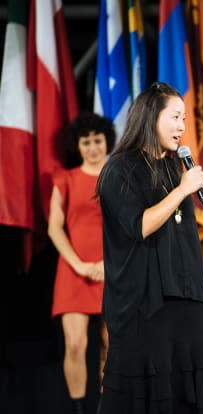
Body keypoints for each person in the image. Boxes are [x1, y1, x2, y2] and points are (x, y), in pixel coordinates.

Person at [95, 82, 203, 413]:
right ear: (151, 116)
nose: (183, 127)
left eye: (184, 118)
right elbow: (139, 226)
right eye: (176, 117)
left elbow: (187, 244)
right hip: (147, 308)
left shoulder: (173, 168)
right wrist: (182, 192)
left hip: (189, 306)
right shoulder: (119, 169)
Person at [49, 112, 115, 414]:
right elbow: (54, 227)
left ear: (106, 142)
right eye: (85, 142)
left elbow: (130, 226)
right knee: (75, 344)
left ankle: (108, 406)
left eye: (97, 140)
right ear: (78, 145)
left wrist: (107, 263)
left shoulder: (118, 176)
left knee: (110, 345)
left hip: (114, 269)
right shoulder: (65, 178)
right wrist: (78, 264)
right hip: (73, 270)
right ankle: (78, 409)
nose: (92, 147)